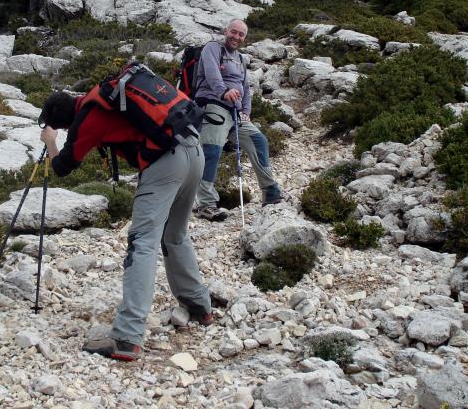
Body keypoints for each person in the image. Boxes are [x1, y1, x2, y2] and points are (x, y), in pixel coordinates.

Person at [39, 91, 213, 362]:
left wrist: (51, 142)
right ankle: (200, 306)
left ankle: (127, 337)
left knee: (142, 242)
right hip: (193, 149)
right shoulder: (110, 96)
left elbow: (63, 166)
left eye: (63, 127)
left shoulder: (89, 117)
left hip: (166, 162)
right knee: (175, 234)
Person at [192, 18, 284, 221]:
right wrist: (223, 91)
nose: (236, 37)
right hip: (213, 104)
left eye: (241, 34)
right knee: (211, 149)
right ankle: (205, 205)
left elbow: (245, 87)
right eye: (234, 32)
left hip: (236, 112)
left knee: (259, 141)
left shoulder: (241, 58)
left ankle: (270, 192)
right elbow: (212, 74)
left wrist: (246, 110)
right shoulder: (213, 48)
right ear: (226, 31)